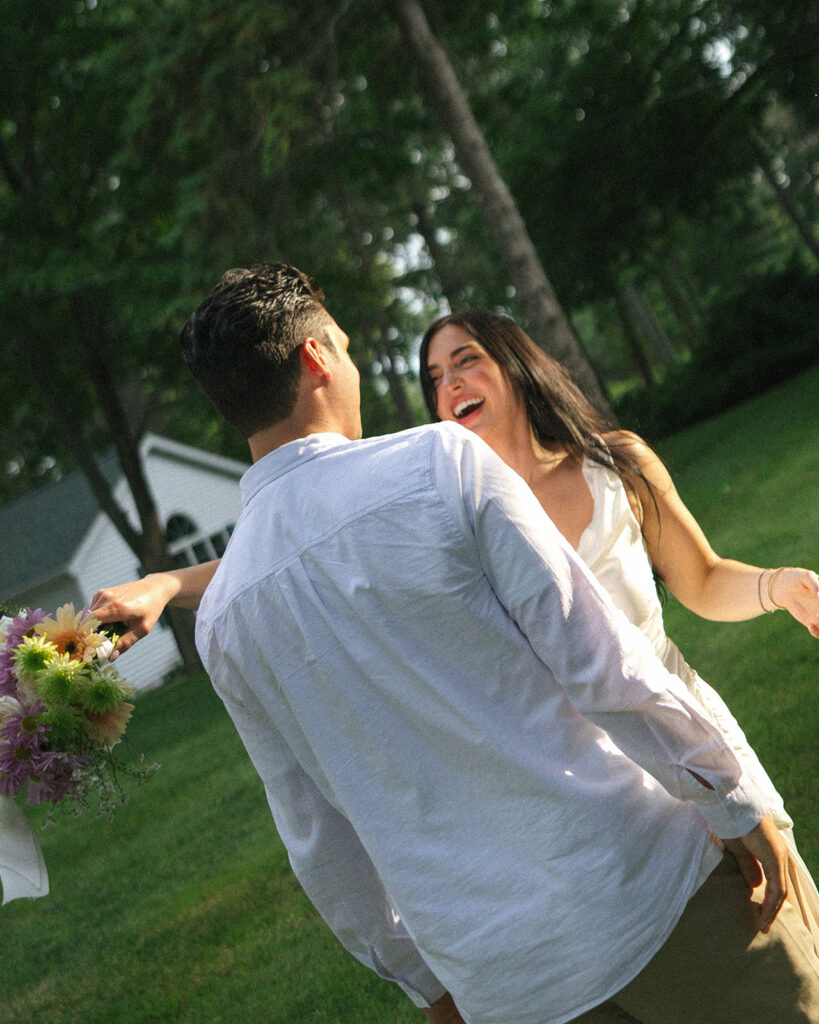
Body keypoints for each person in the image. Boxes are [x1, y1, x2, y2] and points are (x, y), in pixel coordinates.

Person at [97, 262, 819, 1024]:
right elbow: (601, 664)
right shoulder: (439, 462)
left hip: (505, 983)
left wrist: (423, 982)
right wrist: (730, 797)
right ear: (316, 358)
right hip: (649, 893)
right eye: (345, 348)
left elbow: (319, 840)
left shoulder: (223, 618)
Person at [418, 310, 819, 957]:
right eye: (435, 377)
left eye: (466, 360)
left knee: (789, 928)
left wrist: (777, 586)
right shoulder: (461, 530)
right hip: (592, 783)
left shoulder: (617, 462)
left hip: (692, 731)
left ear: (515, 365)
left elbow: (702, 579)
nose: (450, 384)